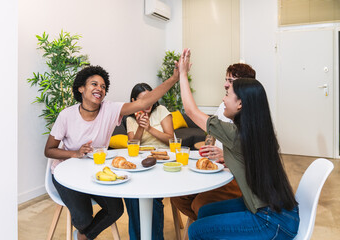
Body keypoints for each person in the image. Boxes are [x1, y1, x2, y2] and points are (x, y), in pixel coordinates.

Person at [44, 65, 179, 240]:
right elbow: (49, 150)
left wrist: (174, 78)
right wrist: (75, 153)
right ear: (81, 88)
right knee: (83, 218)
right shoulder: (66, 116)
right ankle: (85, 231)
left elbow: (144, 102)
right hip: (66, 173)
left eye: (103, 86)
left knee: (116, 209)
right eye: (94, 84)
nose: (99, 89)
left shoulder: (110, 109)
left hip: (95, 170)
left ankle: (83, 236)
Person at [178, 49, 299, 239]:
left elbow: (191, 111)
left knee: (196, 230)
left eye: (228, 93)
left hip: (272, 221)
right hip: (282, 212)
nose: (224, 98)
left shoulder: (235, 134)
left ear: (240, 104)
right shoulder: (258, 129)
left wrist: (183, 74)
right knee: (204, 212)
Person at [170, 63, 256, 221]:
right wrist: (208, 150)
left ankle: (207, 224)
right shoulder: (226, 107)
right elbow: (211, 131)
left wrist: (183, 74)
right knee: (178, 196)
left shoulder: (245, 125)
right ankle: (207, 224)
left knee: (201, 205)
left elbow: (191, 111)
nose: (225, 86)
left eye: (230, 81)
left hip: (233, 175)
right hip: (214, 166)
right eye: (226, 79)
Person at [124, 83, 174, 240]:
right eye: (144, 99)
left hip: (162, 161)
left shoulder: (161, 111)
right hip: (141, 162)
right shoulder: (130, 119)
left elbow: (172, 140)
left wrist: (150, 128)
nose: (148, 102)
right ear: (134, 100)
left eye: (151, 97)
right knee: (131, 197)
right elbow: (133, 145)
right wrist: (140, 127)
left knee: (152, 197)